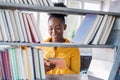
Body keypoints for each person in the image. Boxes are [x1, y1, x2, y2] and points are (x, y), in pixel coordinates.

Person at [38, 2, 81, 74]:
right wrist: (43, 69)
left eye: (58, 28)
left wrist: (63, 68)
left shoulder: (73, 49)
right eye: (51, 28)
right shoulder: (41, 46)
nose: (54, 32)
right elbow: (35, 72)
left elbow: (76, 77)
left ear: (64, 27)